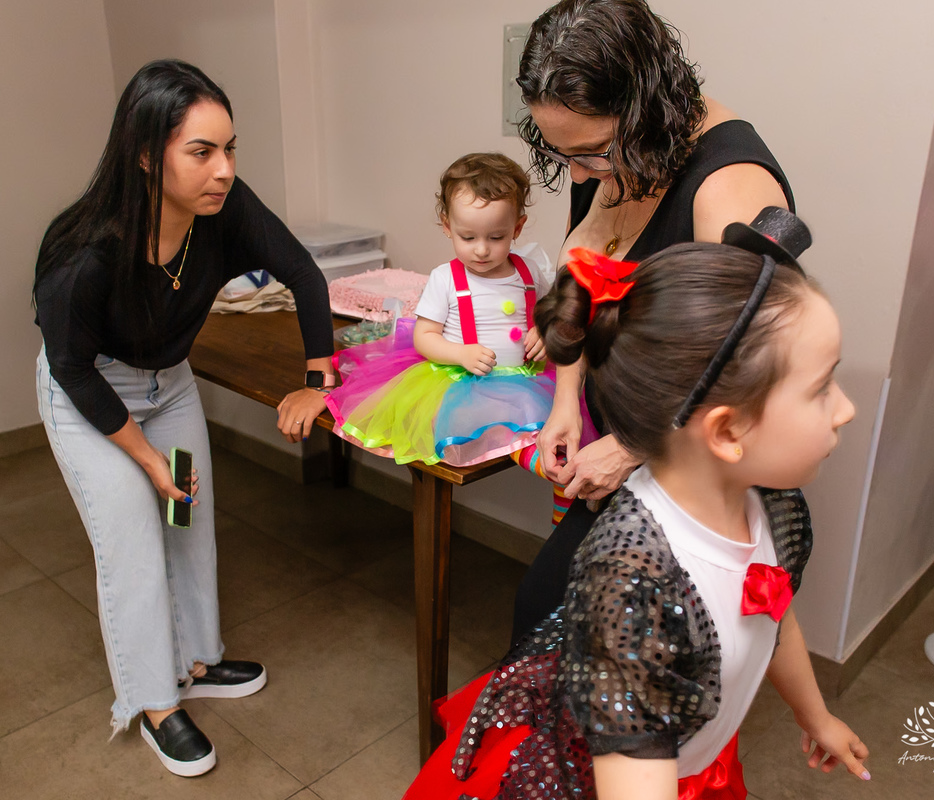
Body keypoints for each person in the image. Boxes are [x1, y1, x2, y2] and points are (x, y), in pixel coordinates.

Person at [403, 214, 869, 799]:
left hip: (703, 763)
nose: (845, 408)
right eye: (822, 387)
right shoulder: (633, 580)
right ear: (726, 431)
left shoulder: (773, 507)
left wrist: (815, 715)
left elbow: (773, 615)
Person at [33, 59, 335, 777]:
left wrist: (319, 379)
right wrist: (146, 462)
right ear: (146, 154)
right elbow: (72, 367)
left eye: (230, 149)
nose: (223, 169)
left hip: (167, 387)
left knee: (187, 522)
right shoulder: (84, 252)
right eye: (201, 152)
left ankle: (196, 660)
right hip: (91, 398)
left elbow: (305, 274)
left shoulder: (221, 209)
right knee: (136, 538)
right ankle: (154, 703)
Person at [510, 0, 796, 643]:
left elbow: (754, 357)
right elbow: (581, 286)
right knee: (548, 620)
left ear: (645, 113)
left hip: (692, 466)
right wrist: (565, 403)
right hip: (628, 447)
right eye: (565, 156)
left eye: (592, 155)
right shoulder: (607, 153)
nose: (580, 176)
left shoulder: (731, 185)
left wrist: (635, 446)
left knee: (593, 639)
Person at [326, 153, 560, 466]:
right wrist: (460, 354)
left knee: (554, 425)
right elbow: (425, 336)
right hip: (465, 383)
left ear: (517, 228)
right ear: (448, 226)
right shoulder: (446, 278)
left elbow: (548, 311)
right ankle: (535, 461)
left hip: (525, 379)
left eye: (496, 237)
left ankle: (551, 474)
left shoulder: (529, 272)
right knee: (480, 428)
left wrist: (543, 330)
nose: (481, 249)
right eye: (468, 237)